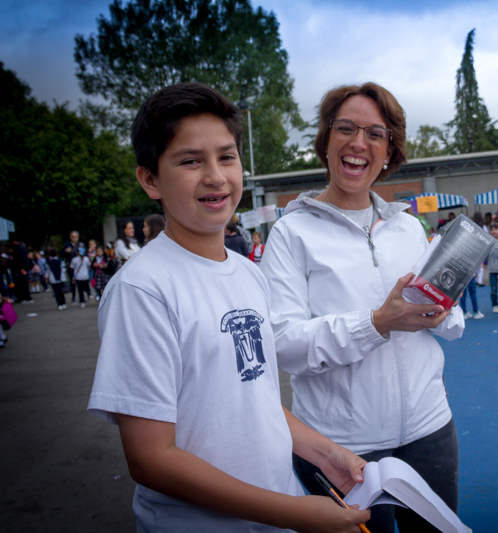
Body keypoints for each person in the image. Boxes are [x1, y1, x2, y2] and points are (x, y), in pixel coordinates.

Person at [88, 82, 371, 533]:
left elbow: (251, 399)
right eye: (190, 160)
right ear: (150, 179)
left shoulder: (247, 272)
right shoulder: (142, 290)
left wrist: (324, 452)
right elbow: (150, 458)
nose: (215, 176)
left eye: (226, 156)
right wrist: (294, 513)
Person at [262, 82, 464, 533]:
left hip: (430, 430)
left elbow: (443, 318)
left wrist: (445, 311)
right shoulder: (291, 234)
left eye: (375, 133)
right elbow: (282, 344)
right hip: (339, 446)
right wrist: (375, 324)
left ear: (390, 150)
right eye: (346, 129)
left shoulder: (409, 227)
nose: (359, 143)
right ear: (326, 141)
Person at [69, 243, 92, 308]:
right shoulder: (86, 259)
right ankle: (89, 295)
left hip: (78, 277)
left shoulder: (74, 259)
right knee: (87, 287)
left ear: (77, 252)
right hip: (86, 276)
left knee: (80, 290)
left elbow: (72, 268)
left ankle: (82, 302)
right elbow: (89, 265)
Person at [61, 231, 80, 304]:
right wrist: (66, 252)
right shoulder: (67, 245)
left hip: (80, 266)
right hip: (71, 266)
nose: (74, 238)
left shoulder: (80, 244)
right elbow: (62, 254)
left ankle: (85, 295)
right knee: (72, 282)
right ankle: (73, 296)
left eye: (75, 237)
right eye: (73, 237)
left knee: (82, 281)